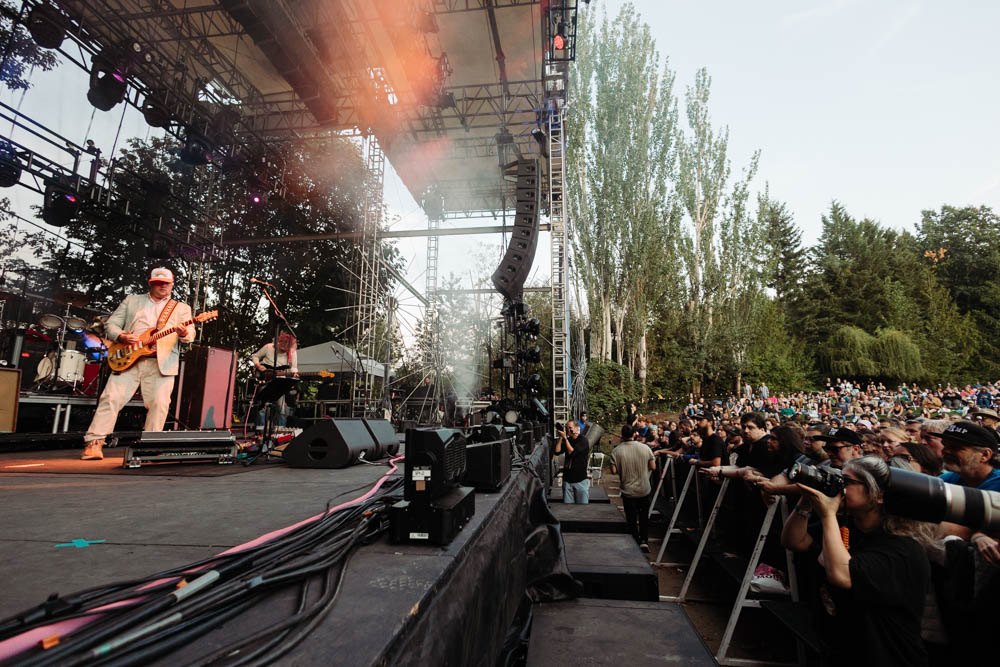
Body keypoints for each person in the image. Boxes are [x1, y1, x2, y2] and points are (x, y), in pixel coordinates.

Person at [782, 456, 932, 666]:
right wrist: (805, 503)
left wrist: (827, 515)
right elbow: (794, 541)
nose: (840, 488)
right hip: (842, 649)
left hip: (885, 656)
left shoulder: (903, 549)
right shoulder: (849, 526)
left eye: (847, 482)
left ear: (878, 496)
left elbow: (842, 575)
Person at [82, 268, 195, 460]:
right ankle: (95, 442)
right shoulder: (132, 300)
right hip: (127, 358)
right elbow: (111, 325)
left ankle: (150, 445)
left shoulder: (181, 308)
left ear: (172, 284)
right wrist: (122, 336)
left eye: (166, 283)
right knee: (111, 398)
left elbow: (190, 336)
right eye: (158, 283)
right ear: (150, 283)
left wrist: (184, 333)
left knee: (159, 404)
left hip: (161, 362)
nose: (163, 286)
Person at [610, 425, 656, 551]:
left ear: (622, 435)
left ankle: (635, 539)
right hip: (643, 488)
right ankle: (644, 540)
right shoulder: (645, 448)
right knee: (643, 516)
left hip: (628, 490)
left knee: (631, 517)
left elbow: (613, 471)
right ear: (634, 434)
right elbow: (653, 466)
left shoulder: (616, 451)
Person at [251, 332, 299, 429]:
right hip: (265, 379)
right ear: (279, 343)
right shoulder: (268, 347)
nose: (285, 350)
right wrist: (259, 366)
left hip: (280, 381)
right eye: (283, 347)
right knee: (262, 406)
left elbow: (293, 368)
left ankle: (280, 432)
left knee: (281, 408)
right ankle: (260, 429)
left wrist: (294, 373)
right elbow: (255, 356)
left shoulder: (292, 352)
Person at [555, 421, 589, 503]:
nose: (568, 430)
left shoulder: (583, 440)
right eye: (567, 428)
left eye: (570, 428)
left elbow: (572, 452)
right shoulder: (568, 440)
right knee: (568, 509)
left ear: (577, 428)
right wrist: (561, 437)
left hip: (580, 480)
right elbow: (557, 451)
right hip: (567, 480)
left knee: (583, 508)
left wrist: (565, 438)